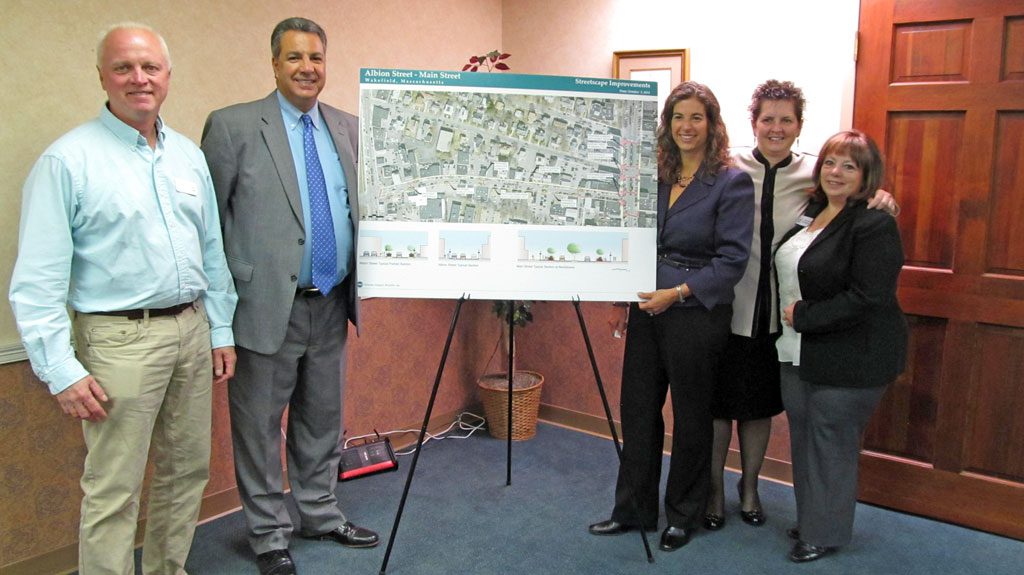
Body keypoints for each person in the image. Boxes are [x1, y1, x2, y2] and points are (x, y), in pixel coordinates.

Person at [8, 23, 237, 574]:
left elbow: (212, 251)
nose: (139, 79)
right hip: (120, 342)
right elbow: (37, 279)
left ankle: (167, 569)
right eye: (124, 68)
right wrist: (59, 368)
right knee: (115, 486)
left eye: (150, 67)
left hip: (191, 332)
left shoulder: (187, 156)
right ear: (103, 77)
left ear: (167, 77)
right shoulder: (69, 161)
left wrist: (221, 328)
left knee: (187, 471)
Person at [200, 17, 374, 575]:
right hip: (263, 308)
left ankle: (320, 513)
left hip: (330, 301)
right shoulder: (231, 128)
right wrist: (216, 318)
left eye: (317, 58)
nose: (307, 68)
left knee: (322, 419)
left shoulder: (347, 127)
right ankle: (269, 534)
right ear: (274, 63)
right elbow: (209, 228)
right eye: (295, 58)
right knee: (257, 425)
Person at [705, 80, 898, 531]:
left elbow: (852, 199)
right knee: (717, 408)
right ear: (752, 123)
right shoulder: (724, 167)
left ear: (798, 126)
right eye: (767, 119)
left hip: (780, 321)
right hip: (725, 310)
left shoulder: (815, 173)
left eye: (785, 120)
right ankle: (713, 492)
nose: (776, 128)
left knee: (757, 408)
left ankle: (749, 490)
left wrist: (882, 197)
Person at [589, 81, 754, 551]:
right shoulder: (655, 175)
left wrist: (676, 293)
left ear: (712, 124)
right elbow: (638, 244)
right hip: (647, 308)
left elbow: (732, 261)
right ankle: (633, 510)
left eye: (696, 118)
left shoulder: (730, 181)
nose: (686, 126)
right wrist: (625, 300)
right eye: (678, 117)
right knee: (638, 411)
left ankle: (684, 513)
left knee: (691, 416)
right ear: (667, 124)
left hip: (696, 311)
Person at [774, 130, 907, 562]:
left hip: (853, 356)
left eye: (849, 166)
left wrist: (805, 316)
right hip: (797, 351)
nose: (836, 172)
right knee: (804, 437)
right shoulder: (812, 211)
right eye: (830, 162)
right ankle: (814, 518)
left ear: (867, 177)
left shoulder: (873, 222)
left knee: (831, 439)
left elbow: (871, 297)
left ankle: (823, 534)